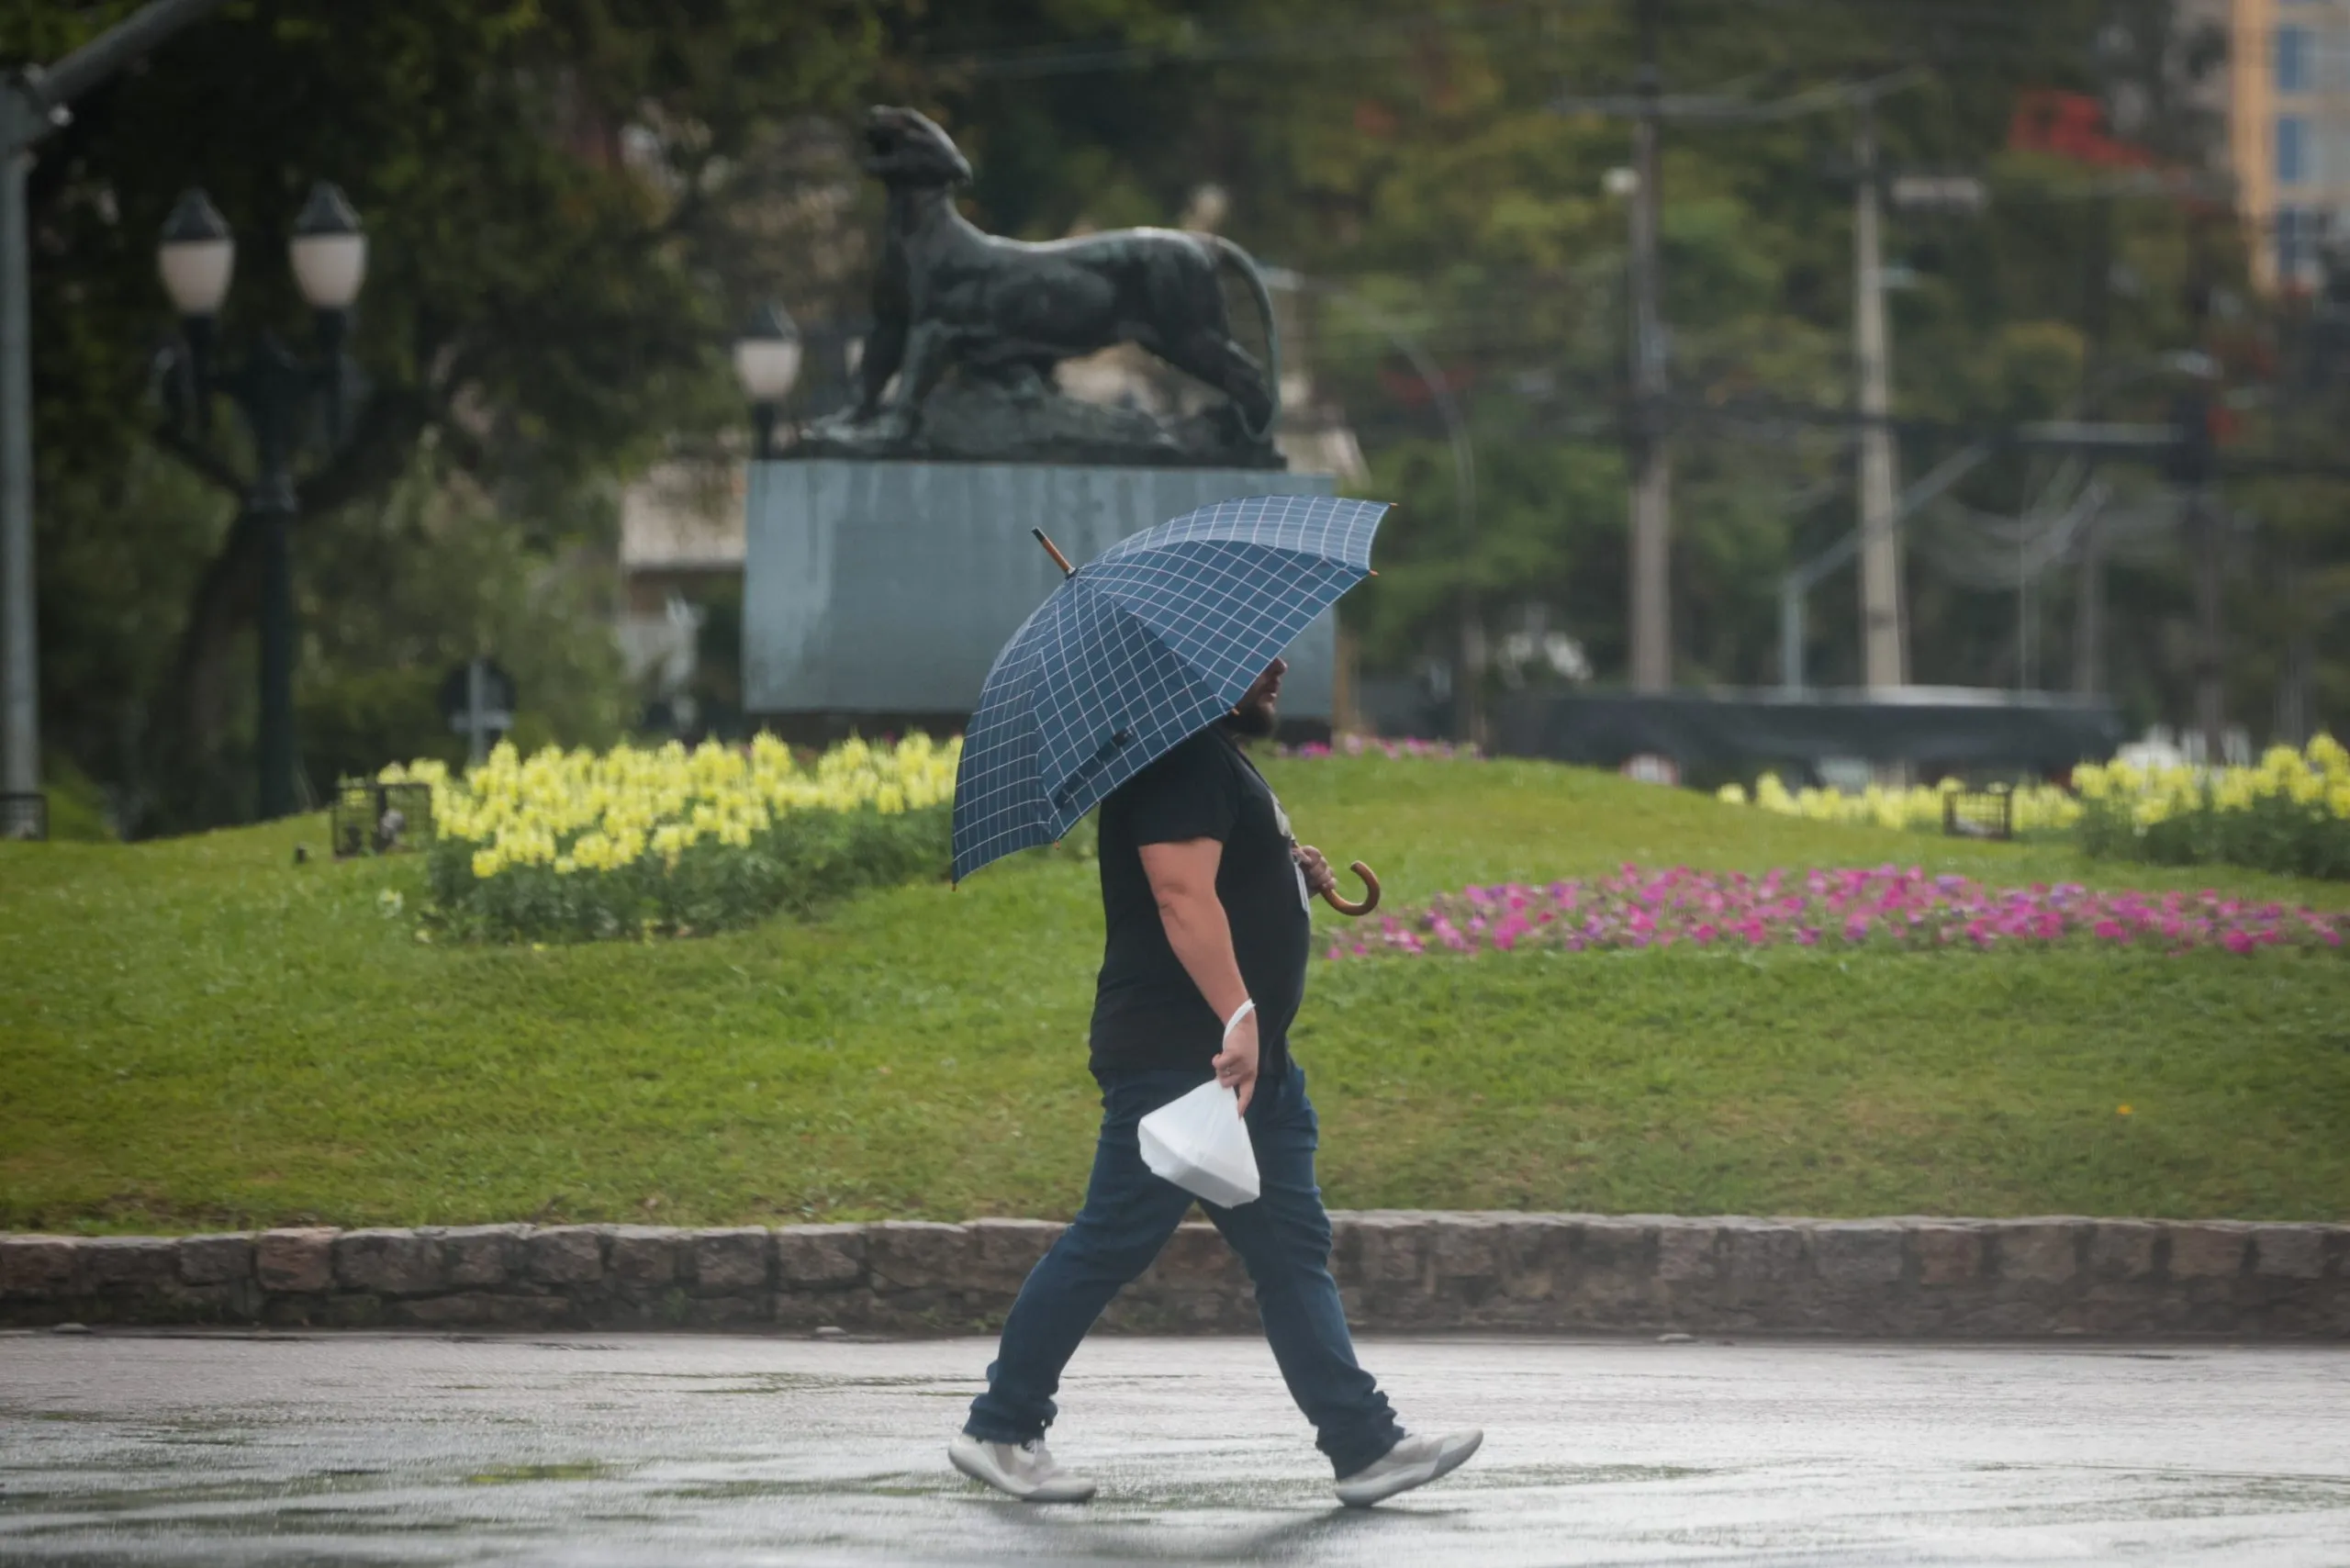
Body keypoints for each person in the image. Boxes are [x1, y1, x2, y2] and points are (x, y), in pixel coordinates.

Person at [949, 655, 1483, 1507]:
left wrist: (1282, 871)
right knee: (1114, 1237)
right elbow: (1178, 893)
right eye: (1254, 660)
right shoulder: (1176, 761)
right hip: (1186, 1058)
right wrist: (1238, 1014)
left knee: (1289, 1248)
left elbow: (1215, 880)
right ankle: (1001, 1427)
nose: (1277, 668)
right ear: (1194, 671)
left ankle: (1365, 1446)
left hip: (1241, 1062)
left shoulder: (1207, 754)